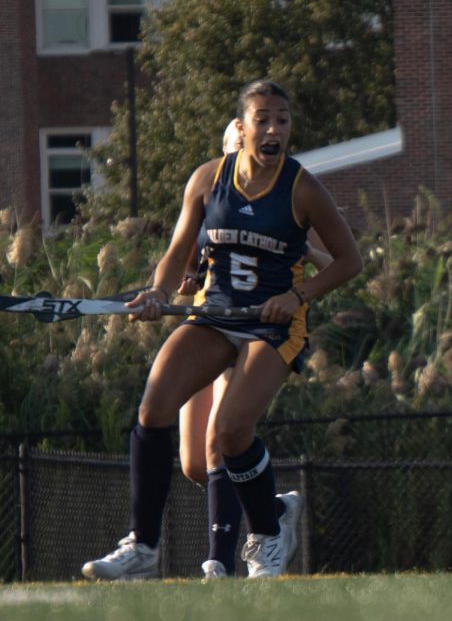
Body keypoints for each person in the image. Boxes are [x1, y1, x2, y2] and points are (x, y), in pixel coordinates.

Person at [82, 79, 362, 580]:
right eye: (264, 119)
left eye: (283, 119)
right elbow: (176, 255)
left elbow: (349, 261)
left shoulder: (303, 188)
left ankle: (269, 532)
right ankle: (142, 548)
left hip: (272, 327)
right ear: (243, 126)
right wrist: (159, 294)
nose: (274, 129)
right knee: (154, 405)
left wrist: (296, 295)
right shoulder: (208, 179)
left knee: (231, 433)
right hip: (215, 315)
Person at [176, 119, 334, 580]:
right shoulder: (211, 194)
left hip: (253, 330)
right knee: (192, 463)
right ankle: (272, 509)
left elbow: (335, 261)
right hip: (208, 321)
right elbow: (186, 264)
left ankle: (219, 562)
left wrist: (300, 249)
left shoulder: (286, 202)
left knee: (217, 442)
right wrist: (182, 280)